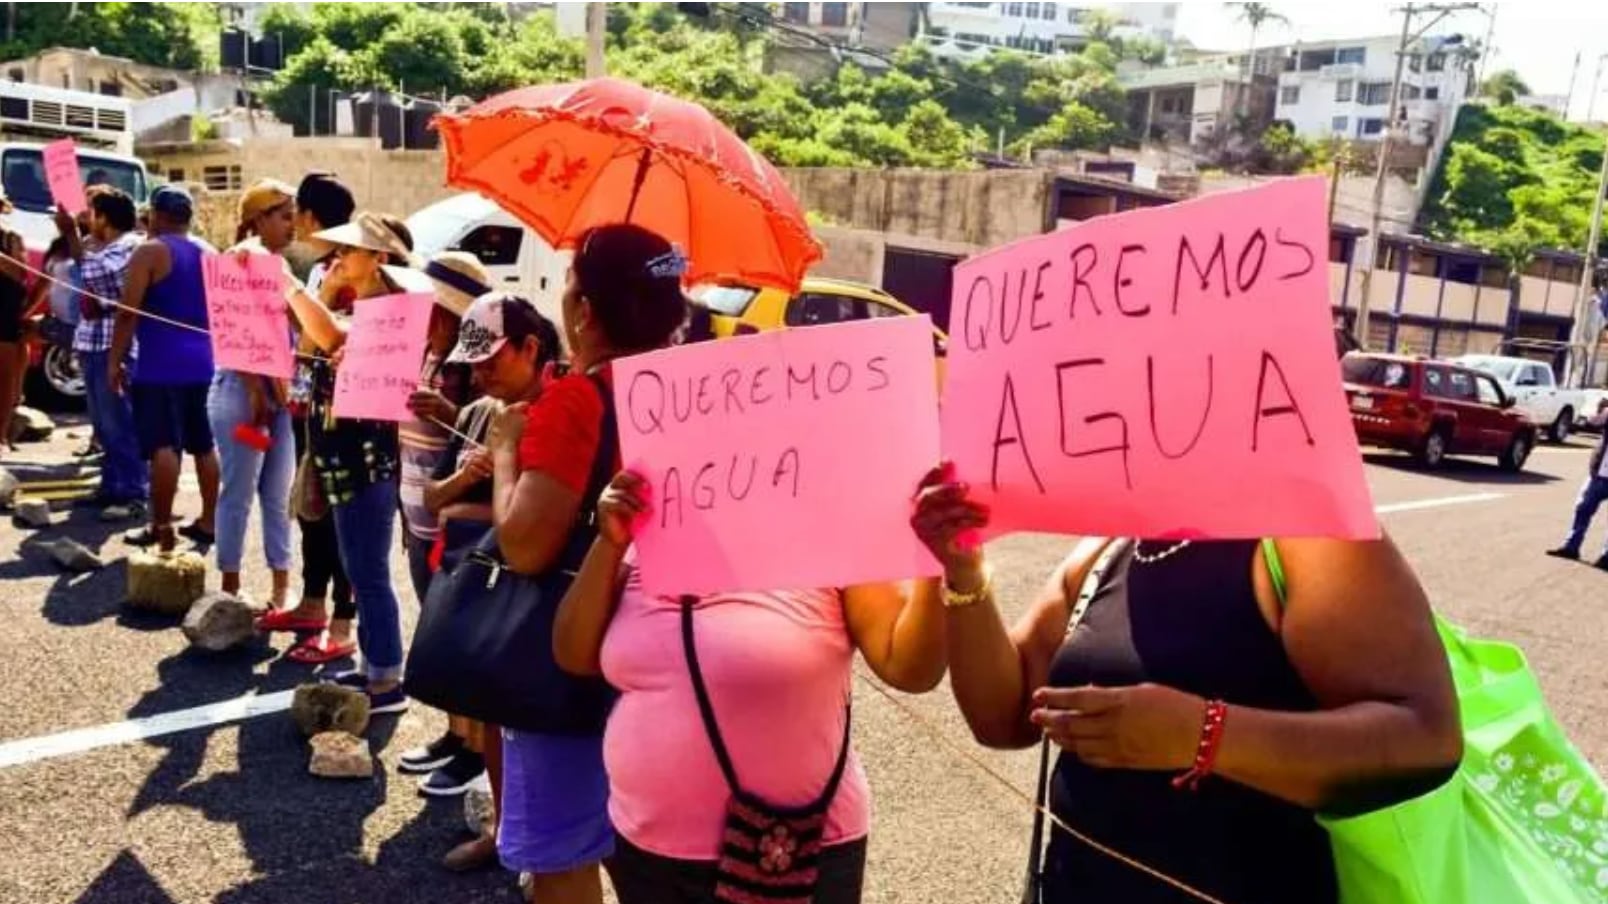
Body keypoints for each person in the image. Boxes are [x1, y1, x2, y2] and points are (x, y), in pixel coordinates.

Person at [908, 472, 1464, 904]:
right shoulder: (1109, 548)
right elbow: (1003, 718)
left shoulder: (1307, 533)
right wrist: (964, 573)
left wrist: (1205, 734)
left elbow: (1426, 737)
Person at [552, 465, 947, 902]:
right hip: (648, 850)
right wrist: (609, 543)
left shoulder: (830, 529)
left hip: (796, 852)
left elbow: (908, 667)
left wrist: (939, 569)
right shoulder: (655, 524)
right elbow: (573, 652)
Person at [489, 224, 688, 904]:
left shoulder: (577, 399)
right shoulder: (692, 390)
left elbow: (525, 545)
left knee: (566, 854)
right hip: (671, 651)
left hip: (572, 656)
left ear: (585, 310)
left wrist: (506, 450)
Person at [411, 292, 561, 869]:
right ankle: (502, 832)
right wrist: (473, 474)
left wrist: (500, 471)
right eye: (472, 362)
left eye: (491, 359)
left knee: (549, 731)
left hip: (544, 592)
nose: (479, 373)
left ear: (531, 348)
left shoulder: (565, 408)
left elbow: (540, 523)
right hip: (486, 589)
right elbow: (434, 498)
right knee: (495, 717)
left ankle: (554, 859)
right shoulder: (478, 411)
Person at [280, 211, 418, 711]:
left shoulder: (393, 311)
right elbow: (309, 349)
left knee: (368, 571)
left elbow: (333, 339)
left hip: (366, 459)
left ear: (379, 258)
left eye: (350, 250)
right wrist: (328, 288)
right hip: (342, 455)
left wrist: (292, 286)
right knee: (359, 569)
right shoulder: (355, 303)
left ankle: (387, 680)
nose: (338, 256)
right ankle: (374, 666)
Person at [264, 172, 359, 663]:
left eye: (295, 212)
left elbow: (325, 340)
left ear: (310, 215)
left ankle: (342, 624)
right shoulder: (324, 269)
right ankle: (311, 604)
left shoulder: (351, 270)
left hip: (344, 414)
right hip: (311, 404)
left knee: (341, 517)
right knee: (311, 508)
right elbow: (306, 341)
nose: (293, 221)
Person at [110, 185, 219, 552]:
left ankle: (160, 525)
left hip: (160, 364)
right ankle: (209, 520)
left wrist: (114, 361)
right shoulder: (210, 252)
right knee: (204, 445)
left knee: (163, 446)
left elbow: (127, 313)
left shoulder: (150, 251)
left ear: (156, 215)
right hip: (205, 362)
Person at [207, 179, 299, 606]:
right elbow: (235, 328)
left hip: (277, 396)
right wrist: (255, 390)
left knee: (277, 496)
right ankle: (230, 586)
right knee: (239, 494)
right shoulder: (242, 258)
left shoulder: (277, 265)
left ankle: (281, 586)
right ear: (259, 219)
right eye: (284, 217)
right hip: (244, 397)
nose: (292, 225)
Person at [398, 251, 490, 605]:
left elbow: (488, 432)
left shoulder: (475, 369)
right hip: (414, 516)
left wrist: (449, 413)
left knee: (446, 618)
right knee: (426, 610)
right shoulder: (418, 354)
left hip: (451, 525)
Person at [58, 189, 147, 518]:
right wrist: (78, 239)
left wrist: (71, 234)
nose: (87, 219)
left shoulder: (130, 245)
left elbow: (98, 276)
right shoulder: (100, 246)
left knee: (119, 422)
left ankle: (132, 492)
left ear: (105, 218)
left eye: (92, 213)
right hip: (93, 342)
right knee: (103, 424)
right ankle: (112, 486)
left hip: (114, 344)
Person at [1547, 398, 1608, 568]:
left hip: (1601, 473)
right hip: (1600, 473)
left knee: (1583, 509)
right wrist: (1601, 410)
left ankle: (1606, 557)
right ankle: (1571, 547)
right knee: (1583, 509)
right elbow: (1592, 422)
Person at [0, 199, 26, 453]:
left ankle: (1, 435)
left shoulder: (11, 237)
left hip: (4, 316)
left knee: (4, 380)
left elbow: (20, 274)